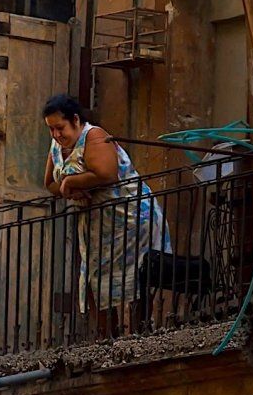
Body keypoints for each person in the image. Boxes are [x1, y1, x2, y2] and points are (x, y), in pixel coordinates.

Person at [43, 94, 171, 331]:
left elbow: (106, 173)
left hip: (131, 219)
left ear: (75, 120)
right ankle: (106, 340)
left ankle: (138, 333)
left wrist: (72, 182)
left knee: (136, 277)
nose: (56, 134)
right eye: (51, 129)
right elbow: (49, 183)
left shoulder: (94, 136)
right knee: (96, 278)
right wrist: (71, 189)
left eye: (60, 128)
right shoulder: (57, 146)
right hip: (98, 227)